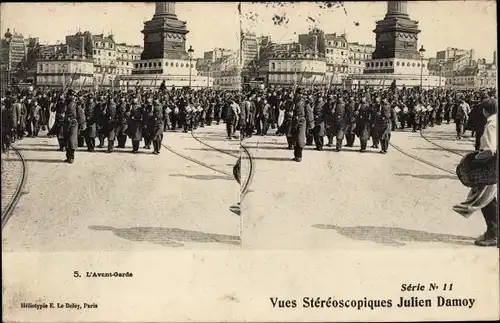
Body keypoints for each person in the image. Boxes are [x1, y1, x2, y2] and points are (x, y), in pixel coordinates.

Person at [453, 98, 497, 247]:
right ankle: (494, 232)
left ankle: (493, 235)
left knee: (486, 200)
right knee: (490, 198)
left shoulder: (491, 125)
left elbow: (489, 150)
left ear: (485, 111)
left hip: (490, 167)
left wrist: (475, 159)